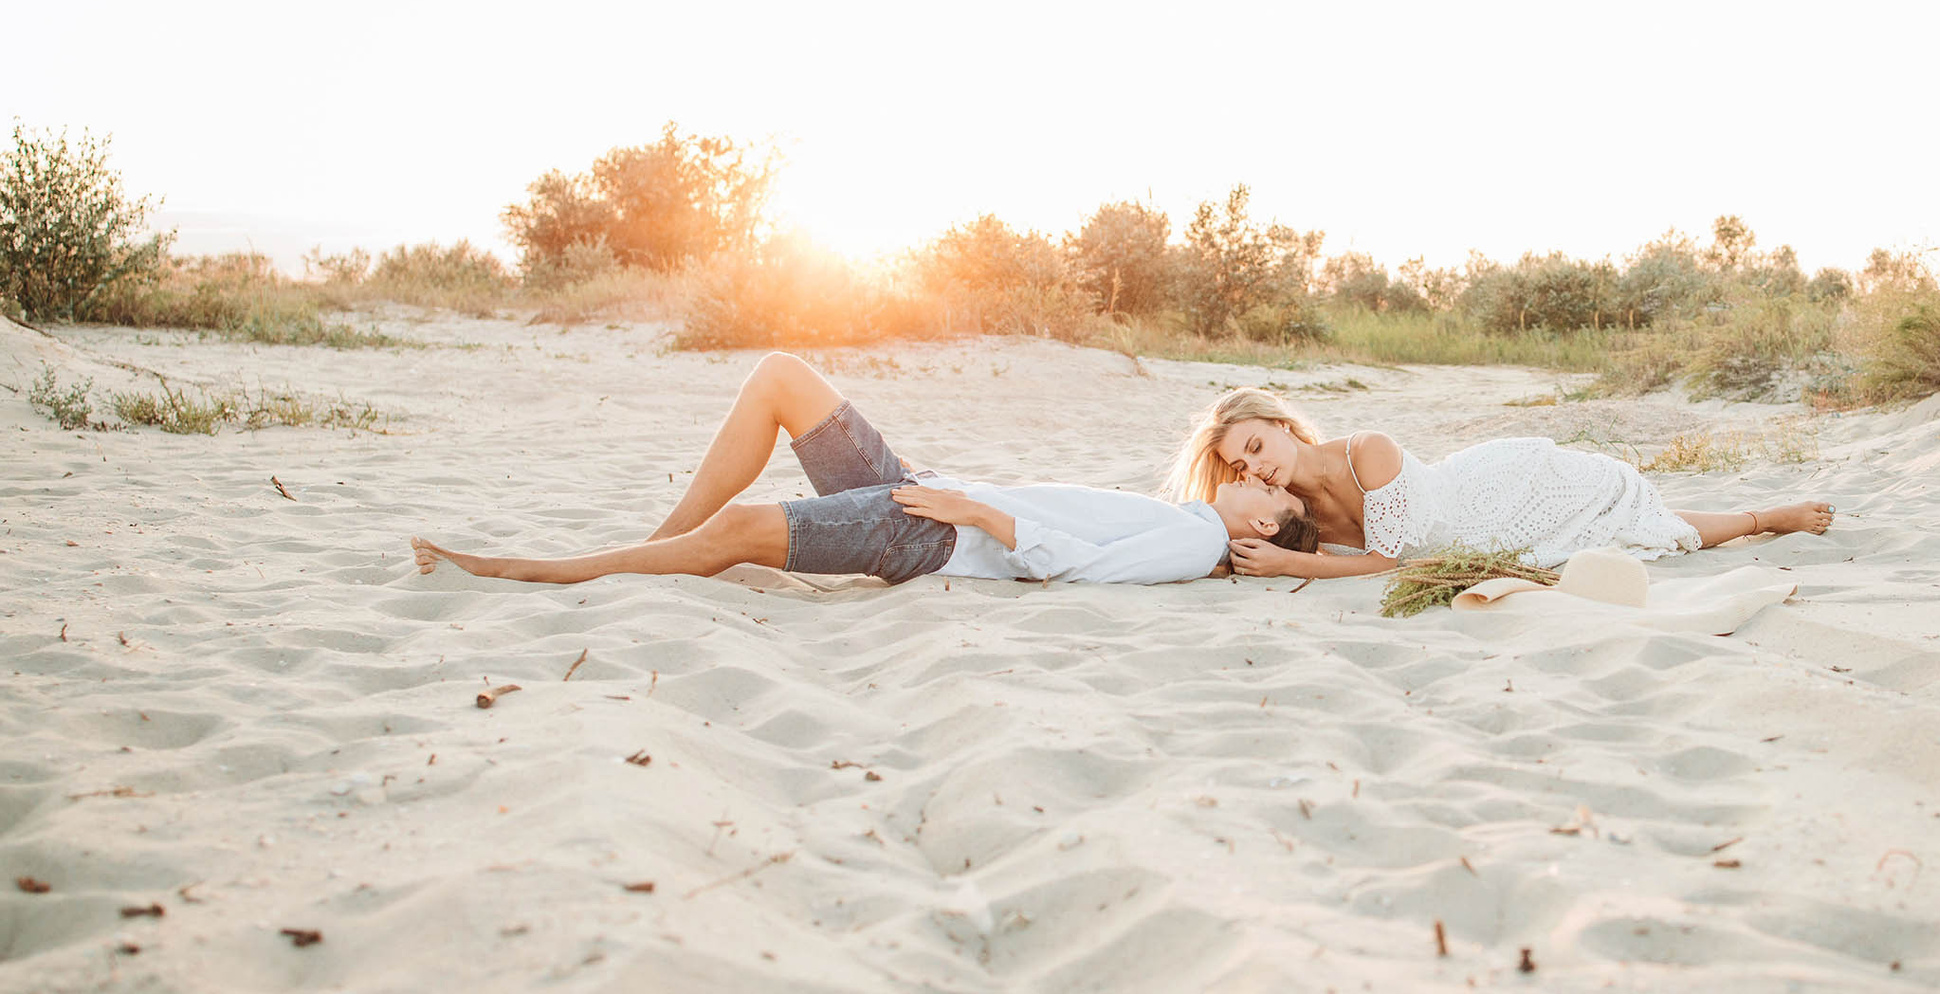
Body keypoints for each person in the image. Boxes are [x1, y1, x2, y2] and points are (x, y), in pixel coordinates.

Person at [413, 353, 1317, 588]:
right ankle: (653, 548)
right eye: (1243, 464)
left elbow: (1078, 564)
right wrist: (962, 492)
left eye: (1251, 476)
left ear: (1263, 525)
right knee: (781, 377)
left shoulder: (1198, 542)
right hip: (931, 496)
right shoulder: (1195, 521)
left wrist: (977, 512)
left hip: (927, 533)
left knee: (738, 536)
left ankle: (533, 568)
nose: (1241, 476)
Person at [1163, 387, 1835, 579]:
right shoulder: (1285, 506)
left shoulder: (1370, 452)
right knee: (1638, 534)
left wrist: (1290, 563)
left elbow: (1391, 558)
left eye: (1255, 445)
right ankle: (1757, 516)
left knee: (1644, 519)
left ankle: (1764, 516)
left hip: (1506, 492)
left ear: (1282, 424)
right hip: (1480, 532)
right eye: (1242, 466)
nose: (1255, 467)